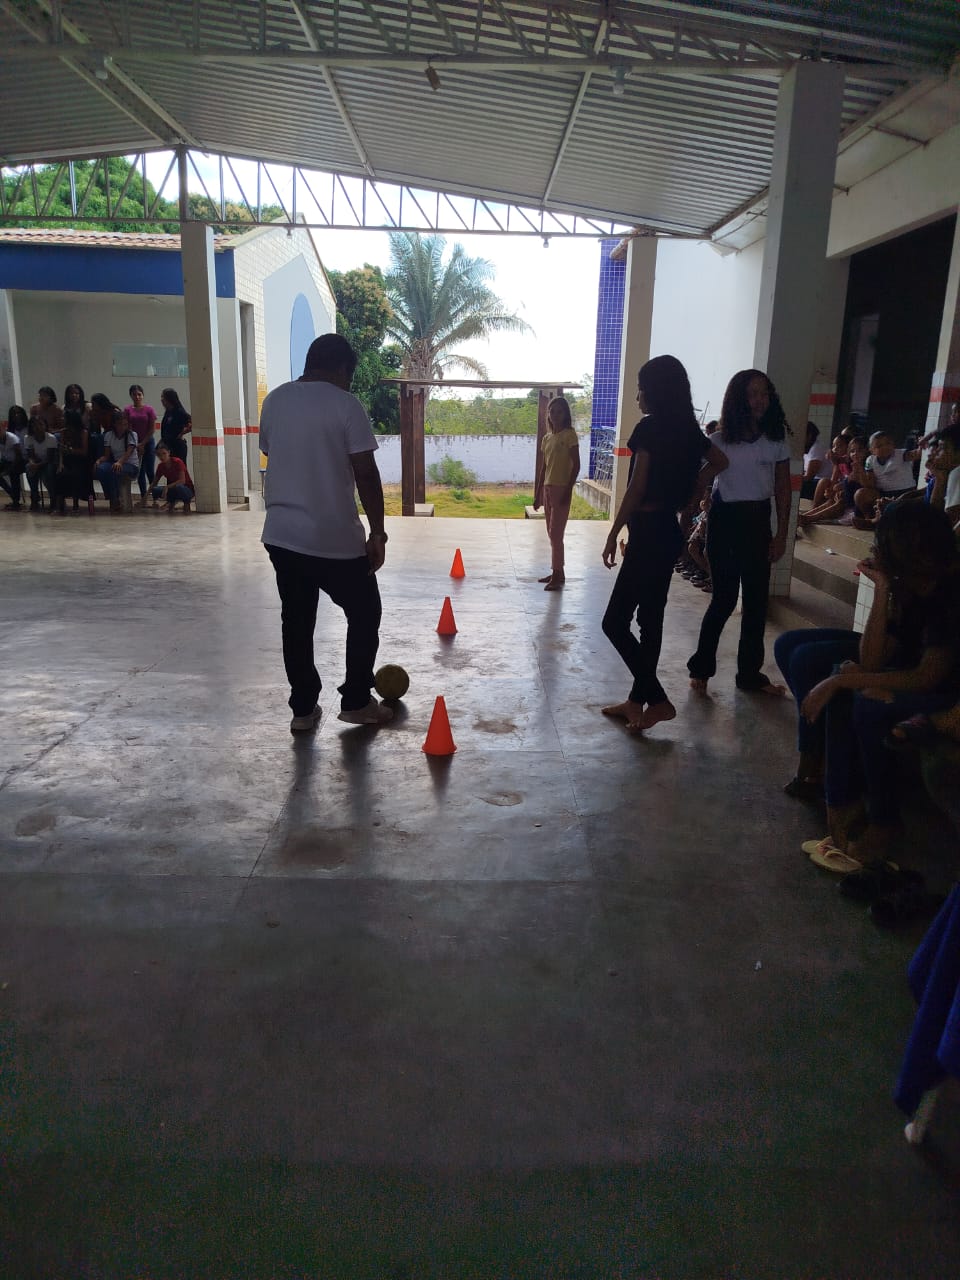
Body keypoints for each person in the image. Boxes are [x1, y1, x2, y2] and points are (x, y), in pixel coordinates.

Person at [778, 502, 960, 864]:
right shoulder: (908, 585)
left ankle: (879, 819)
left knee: (862, 699)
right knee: (792, 647)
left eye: (883, 543)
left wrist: (840, 682)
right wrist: (882, 590)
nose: (875, 548)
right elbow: (874, 659)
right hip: (908, 666)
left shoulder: (949, 594)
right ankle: (825, 776)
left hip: (945, 694)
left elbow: (926, 677)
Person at [259, 333, 392, 733]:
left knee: (297, 620)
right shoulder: (345, 404)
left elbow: (272, 450)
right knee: (365, 611)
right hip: (332, 536)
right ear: (342, 369)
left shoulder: (275, 400)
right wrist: (378, 533)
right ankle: (356, 701)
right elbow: (366, 472)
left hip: (282, 534)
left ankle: (303, 709)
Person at [600, 354, 728, 732]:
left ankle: (657, 700)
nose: (638, 396)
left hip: (649, 532)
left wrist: (613, 532)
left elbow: (636, 488)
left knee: (614, 622)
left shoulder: (649, 429)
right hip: (666, 531)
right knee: (649, 620)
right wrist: (696, 486)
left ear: (655, 391)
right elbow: (720, 461)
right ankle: (636, 702)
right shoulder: (689, 430)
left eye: (641, 388)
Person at [687, 368, 791, 695]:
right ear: (737, 400)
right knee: (724, 599)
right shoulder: (719, 441)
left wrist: (781, 535)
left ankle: (749, 675)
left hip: (759, 521)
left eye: (765, 393)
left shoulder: (776, 441)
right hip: (725, 522)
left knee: (757, 603)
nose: (760, 400)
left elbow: (783, 490)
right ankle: (701, 668)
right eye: (752, 394)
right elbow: (701, 480)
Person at [533, 395, 580, 591]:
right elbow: (544, 468)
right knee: (551, 533)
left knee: (556, 533)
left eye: (559, 411)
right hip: (548, 488)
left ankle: (557, 574)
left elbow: (576, 465)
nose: (555, 415)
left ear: (565, 414)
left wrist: (568, 490)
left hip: (561, 489)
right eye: (552, 412)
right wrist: (538, 493)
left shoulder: (569, 435)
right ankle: (558, 572)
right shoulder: (547, 438)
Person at [798, 436, 869, 529]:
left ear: (867, 451)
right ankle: (808, 515)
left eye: (859, 451)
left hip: (852, 503)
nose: (855, 454)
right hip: (846, 496)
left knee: (838, 501)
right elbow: (840, 482)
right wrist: (832, 489)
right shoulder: (848, 463)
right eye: (852, 451)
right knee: (831, 497)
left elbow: (860, 484)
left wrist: (837, 488)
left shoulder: (866, 466)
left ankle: (809, 518)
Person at [853, 430, 922, 523]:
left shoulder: (900, 454)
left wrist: (921, 446)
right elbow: (870, 484)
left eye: (888, 443)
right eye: (879, 446)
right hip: (883, 494)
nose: (885, 447)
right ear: (872, 450)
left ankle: (877, 522)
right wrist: (860, 470)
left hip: (905, 493)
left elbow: (916, 454)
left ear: (893, 444)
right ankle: (870, 518)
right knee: (860, 494)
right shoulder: (870, 460)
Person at [95, 408, 139, 513]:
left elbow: (129, 452)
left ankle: (116, 499)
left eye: (125, 424)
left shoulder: (132, 435)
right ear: (114, 424)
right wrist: (99, 461)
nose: (122, 427)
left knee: (114, 470)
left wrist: (120, 462)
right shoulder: (109, 435)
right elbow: (106, 455)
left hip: (130, 465)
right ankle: (109, 495)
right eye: (120, 424)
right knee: (100, 469)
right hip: (115, 463)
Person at [123, 384, 157, 508]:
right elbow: (127, 428)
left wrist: (143, 443)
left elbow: (152, 429)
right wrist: (136, 444)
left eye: (139, 394)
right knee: (140, 472)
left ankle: (155, 499)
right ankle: (144, 499)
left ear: (142, 395)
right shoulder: (127, 410)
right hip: (135, 444)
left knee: (150, 471)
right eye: (134, 394)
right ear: (131, 396)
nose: (137, 397)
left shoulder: (149, 409)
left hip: (148, 442)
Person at [52, 409, 90, 515]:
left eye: (64, 417)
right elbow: (61, 450)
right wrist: (60, 464)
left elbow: (84, 451)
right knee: (60, 474)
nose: (62, 419)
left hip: (79, 460)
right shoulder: (63, 431)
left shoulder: (83, 432)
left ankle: (75, 505)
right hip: (67, 459)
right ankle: (59, 506)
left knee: (75, 474)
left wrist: (71, 450)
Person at [22, 414, 58, 510]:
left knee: (49, 471)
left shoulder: (51, 438)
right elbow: (30, 455)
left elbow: (50, 458)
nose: (38, 427)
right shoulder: (28, 438)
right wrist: (32, 463)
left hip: (48, 463)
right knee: (28, 468)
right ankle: (34, 497)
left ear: (45, 425)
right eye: (35, 425)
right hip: (36, 462)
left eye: (40, 424)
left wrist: (37, 465)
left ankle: (53, 498)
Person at [150, 442, 195, 513]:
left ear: (169, 452)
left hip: (186, 489)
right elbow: (154, 483)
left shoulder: (177, 462)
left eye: (164, 453)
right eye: (159, 455)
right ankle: (171, 502)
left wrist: (167, 487)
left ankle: (186, 503)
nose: (162, 457)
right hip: (173, 489)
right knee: (155, 489)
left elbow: (182, 481)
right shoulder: (161, 466)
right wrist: (145, 498)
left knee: (179, 487)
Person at [1, 407, 27, 511]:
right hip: (8, 459)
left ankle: (16, 501)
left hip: (24, 458)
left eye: (18, 413)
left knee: (13, 472)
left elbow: (18, 455)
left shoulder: (28, 428)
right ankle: (12, 494)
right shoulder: (9, 430)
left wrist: (9, 468)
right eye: (14, 414)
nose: (16, 416)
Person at [801, 422, 832, 501]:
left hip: (821, 482)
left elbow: (808, 477)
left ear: (809, 436)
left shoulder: (816, 448)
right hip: (815, 481)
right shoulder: (807, 448)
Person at [159, 389, 192, 463]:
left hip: (178, 446)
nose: (161, 400)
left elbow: (191, 423)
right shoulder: (168, 412)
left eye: (163, 397)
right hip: (168, 446)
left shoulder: (179, 411)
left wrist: (182, 433)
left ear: (169, 399)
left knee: (179, 467)